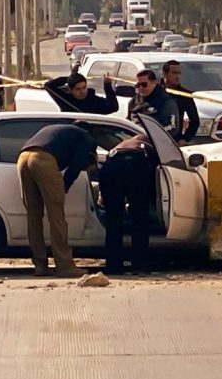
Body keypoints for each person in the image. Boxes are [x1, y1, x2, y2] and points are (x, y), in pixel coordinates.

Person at [17, 122, 97, 277]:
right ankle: (65, 266)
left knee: (33, 215)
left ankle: (40, 265)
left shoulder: (58, 131)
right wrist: (64, 187)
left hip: (23, 157)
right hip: (43, 160)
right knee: (57, 217)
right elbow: (77, 165)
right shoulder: (86, 137)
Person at [98, 133, 159, 274]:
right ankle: (140, 265)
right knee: (139, 219)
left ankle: (113, 265)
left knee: (113, 220)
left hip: (110, 168)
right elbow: (155, 175)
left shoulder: (120, 146)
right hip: (135, 166)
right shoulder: (150, 146)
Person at [128, 69, 180, 136]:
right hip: (133, 137)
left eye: (144, 84)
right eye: (138, 85)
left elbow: (173, 128)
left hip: (154, 141)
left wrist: (150, 134)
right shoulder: (134, 101)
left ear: (154, 82)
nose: (140, 88)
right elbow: (128, 121)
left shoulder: (166, 102)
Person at [161, 60, 200, 145]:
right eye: (174, 73)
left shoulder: (184, 95)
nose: (177, 76)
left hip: (174, 141)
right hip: (154, 139)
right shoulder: (155, 91)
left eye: (179, 73)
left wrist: (185, 138)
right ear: (165, 74)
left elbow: (195, 120)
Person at [43, 72, 118, 114]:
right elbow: (48, 86)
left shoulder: (94, 100)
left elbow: (113, 107)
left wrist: (107, 86)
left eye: (84, 87)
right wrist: (69, 78)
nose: (82, 92)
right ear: (70, 90)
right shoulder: (65, 100)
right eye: (78, 89)